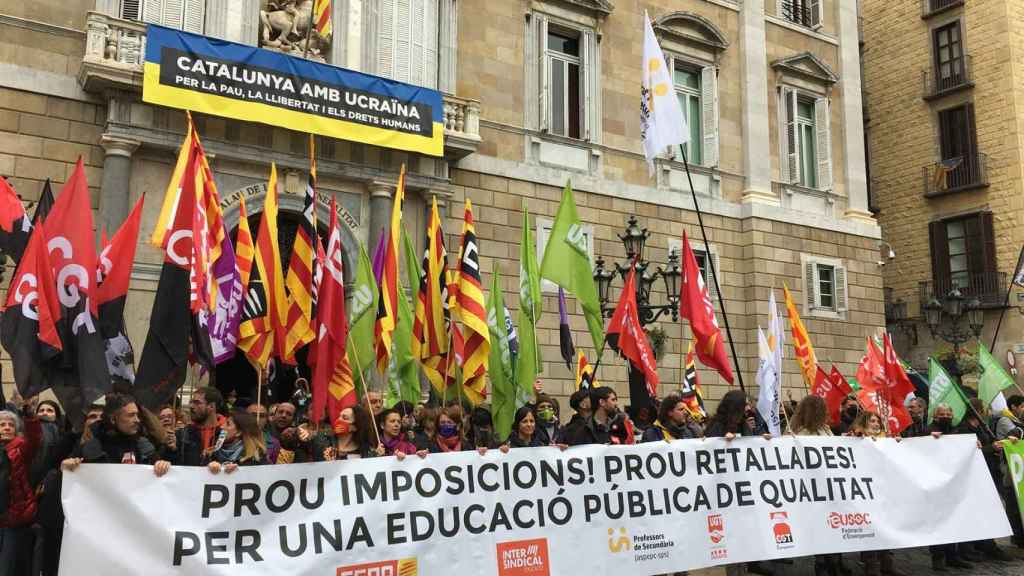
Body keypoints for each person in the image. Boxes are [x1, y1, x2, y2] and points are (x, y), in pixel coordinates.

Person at [787, 396, 859, 576]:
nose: (828, 412)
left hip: (830, 489)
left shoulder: (825, 429)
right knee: (819, 529)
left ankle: (834, 562)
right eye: (824, 409)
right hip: (812, 491)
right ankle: (822, 565)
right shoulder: (797, 433)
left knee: (833, 527)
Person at [956, 398, 1012, 562]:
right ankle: (979, 544)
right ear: (977, 410)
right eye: (984, 408)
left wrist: (998, 445)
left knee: (990, 509)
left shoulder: (982, 426)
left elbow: (989, 444)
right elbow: (968, 451)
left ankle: (988, 544)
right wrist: (990, 448)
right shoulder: (963, 429)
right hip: (974, 476)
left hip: (990, 472)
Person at [62, 394, 171, 474]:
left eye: (137, 415)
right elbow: (68, 471)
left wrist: (163, 465)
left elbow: (161, 468)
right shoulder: (91, 444)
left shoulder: (143, 445)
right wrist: (66, 466)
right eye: (131, 415)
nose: (137, 420)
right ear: (113, 419)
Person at [927, 403, 973, 571]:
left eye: (948, 413)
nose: (946, 416)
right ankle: (938, 557)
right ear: (935, 416)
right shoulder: (928, 430)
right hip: (936, 484)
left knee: (954, 519)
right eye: (942, 413)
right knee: (938, 522)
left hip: (954, 483)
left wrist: (974, 446)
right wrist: (928, 439)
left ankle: (952, 555)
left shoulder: (956, 431)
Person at [0, 409, 42, 576]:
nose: (7, 427)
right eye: (2, 424)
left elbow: (34, 439)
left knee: (7, 567)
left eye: (11, 425)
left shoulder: (20, 448)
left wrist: (30, 416)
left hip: (14, 519)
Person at [996, 394, 1024, 547]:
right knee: (1013, 503)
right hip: (1009, 469)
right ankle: (1017, 536)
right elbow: (1015, 436)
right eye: (1021, 406)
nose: (1023, 409)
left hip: (1019, 469)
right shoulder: (1005, 421)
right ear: (1014, 406)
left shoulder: (1017, 421)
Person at [173, 387, 225, 466]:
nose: (191, 406)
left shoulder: (225, 435)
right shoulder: (181, 435)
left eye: (197, 403)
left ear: (211, 406)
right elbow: (171, 462)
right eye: (191, 402)